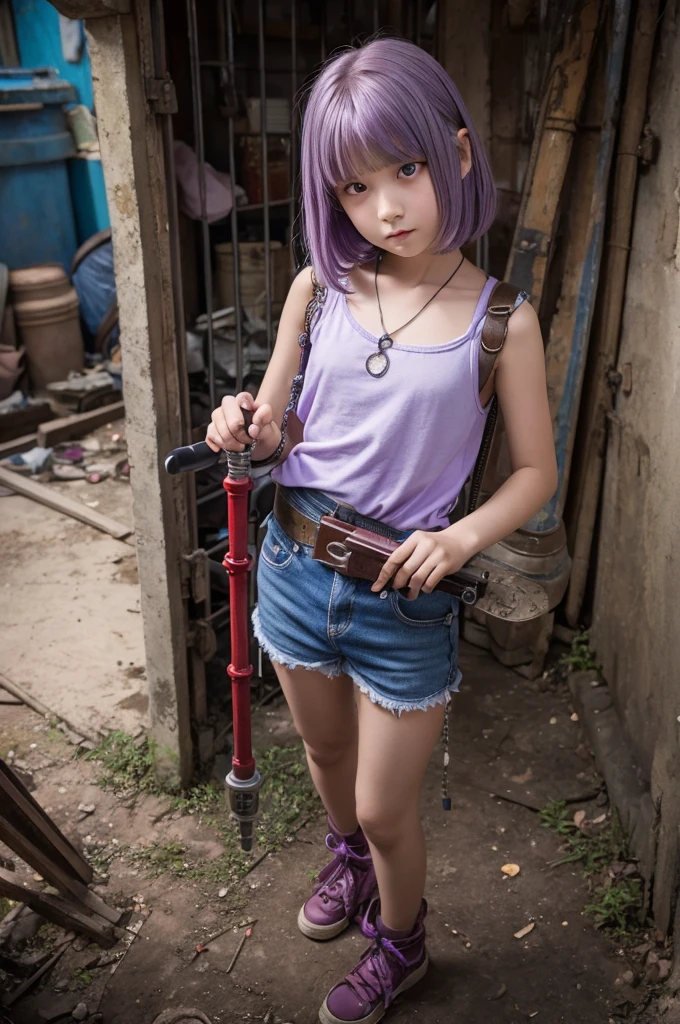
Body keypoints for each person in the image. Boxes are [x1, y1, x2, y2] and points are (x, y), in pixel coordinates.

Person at [205, 36, 557, 1024]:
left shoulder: (502, 322)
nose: (386, 208)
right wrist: (245, 425)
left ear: (453, 151)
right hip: (289, 564)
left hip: (400, 596)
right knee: (323, 762)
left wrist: (460, 537)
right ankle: (349, 868)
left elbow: (534, 472)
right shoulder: (318, 290)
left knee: (381, 801)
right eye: (355, 188)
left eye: (404, 171)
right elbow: (278, 428)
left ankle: (398, 946)